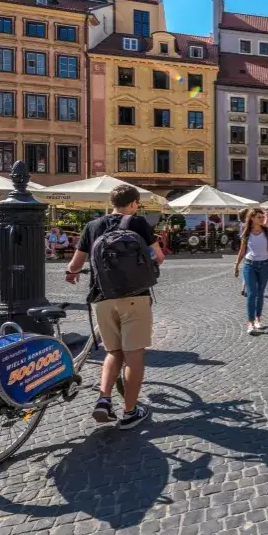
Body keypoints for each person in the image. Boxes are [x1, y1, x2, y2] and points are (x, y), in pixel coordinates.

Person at [65, 184, 164, 430]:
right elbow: (159, 257)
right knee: (134, 353)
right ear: (134, 204)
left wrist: (72, 273)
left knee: (113, 352)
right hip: (135, 296)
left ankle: (104, 398)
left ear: (111, 202)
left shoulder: (92, 226)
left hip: (102, 296)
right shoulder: (138, 223)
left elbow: (75, 264)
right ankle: (129, 412)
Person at [233, 208, 268, 334]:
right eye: (259, 217)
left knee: (260, 294)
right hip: (249, 265)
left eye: (262, 217)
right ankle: (250, 322)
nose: (262, 219)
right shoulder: (246, 232)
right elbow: (242, 251)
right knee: (251, 294)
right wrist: (236, 265)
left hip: (264, 266)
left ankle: (258, 319)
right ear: (252, 218)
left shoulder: (267, 231)